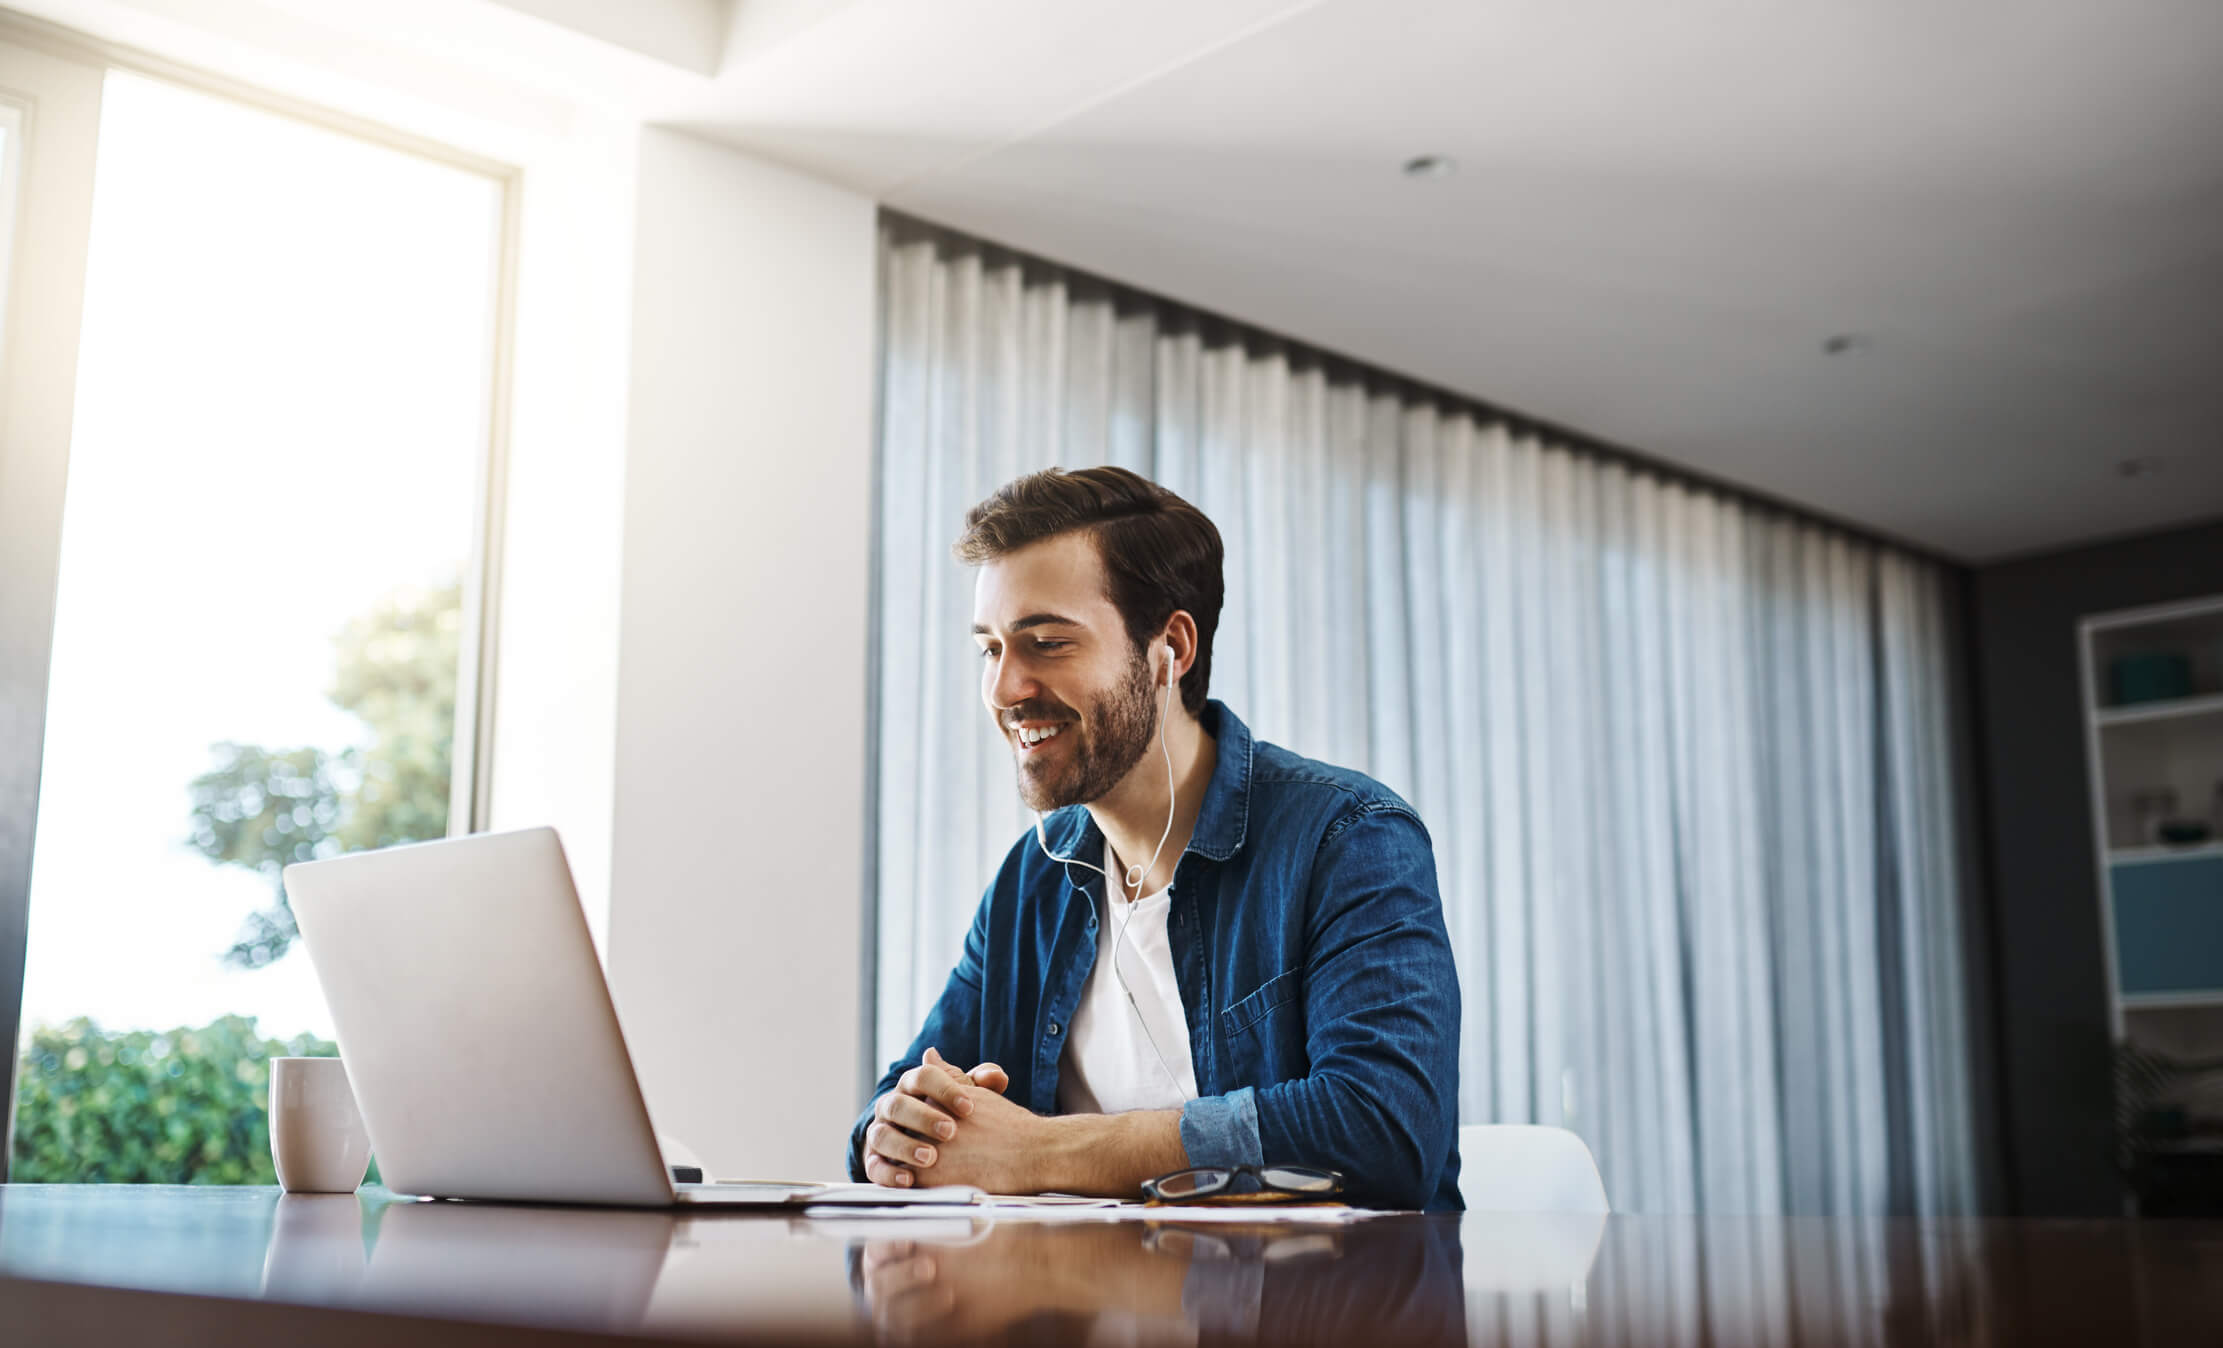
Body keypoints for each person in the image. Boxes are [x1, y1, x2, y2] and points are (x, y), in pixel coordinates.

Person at [848, 466, 1462, 1210]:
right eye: (990, 648)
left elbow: (1384, 1132)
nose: (1004, 689)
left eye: (1045, 642)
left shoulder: (1347, 839)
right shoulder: (1031, 881)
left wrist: (1036, 1149)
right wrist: (895, 1129)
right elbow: (896, 1112)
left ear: (1169, 648)